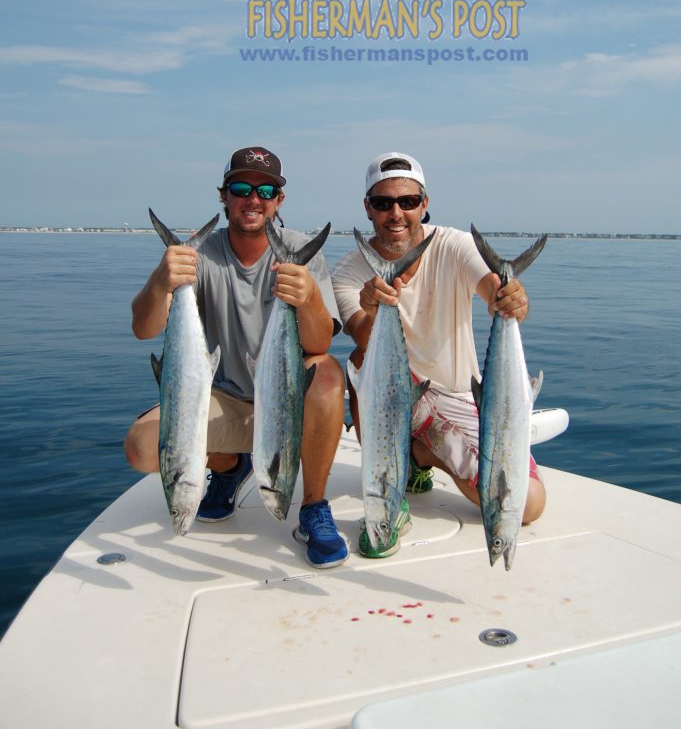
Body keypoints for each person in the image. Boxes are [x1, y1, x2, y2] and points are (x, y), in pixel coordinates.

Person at [124, 146, 349, 569]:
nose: (254, 198)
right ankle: (230, 469)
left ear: (279, 201)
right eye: (241, 188)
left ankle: (314, 505)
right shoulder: (198, 257)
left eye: (266, 190)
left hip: (282, 398)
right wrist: (160, 281)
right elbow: (144, 329)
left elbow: (319, 344)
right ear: (223, 196)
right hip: (224, 396)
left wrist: (310, 298)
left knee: (327, 374)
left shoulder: (300, 252)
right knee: (141, 449)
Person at [331, 151, 546, 558]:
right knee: (361, 361)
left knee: (528, 504)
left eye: (407, 201)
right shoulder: (349, 270)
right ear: (368, 208)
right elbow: (361, 335)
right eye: (383, 203)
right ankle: (391, 504)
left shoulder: (455, 245)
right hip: (396, 395)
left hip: (455, 397)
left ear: (424, 204)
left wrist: (511, 299)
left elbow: (490, 291)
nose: (396, 212)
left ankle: (420, 454)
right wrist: (374, 306)